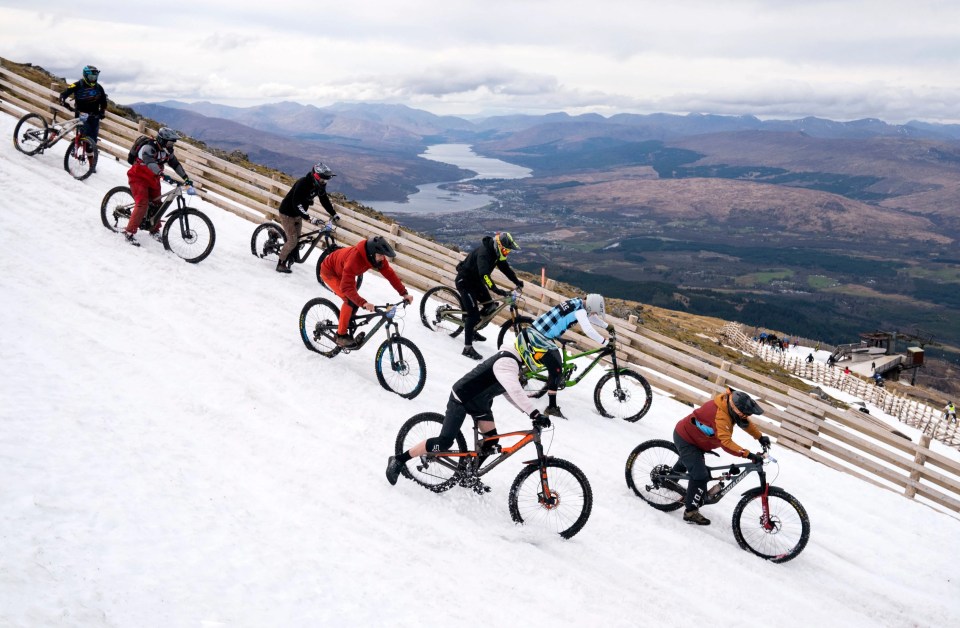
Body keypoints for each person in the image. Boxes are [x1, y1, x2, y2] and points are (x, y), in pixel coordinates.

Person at [386, 329, 551, 486]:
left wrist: (530, 413)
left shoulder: (513, 364)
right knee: (444, 443)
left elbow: (510, 393)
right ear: (526, 349)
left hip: (479, 402)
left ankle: (469, 474)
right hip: (462, 398)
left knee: (491, 442)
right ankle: (399, 459)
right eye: (537, 355)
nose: (538, 359)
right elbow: (515, 390)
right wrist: (535, 413)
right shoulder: (507, 362)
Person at [672, 389, 769, 526]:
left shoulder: (730, 407)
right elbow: (726, 443)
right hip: (687, 439)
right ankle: (690, 512)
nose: (746, 416)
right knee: (700, 476)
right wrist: (748, 454)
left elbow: (745, 423)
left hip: (699, 439)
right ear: (736, 410)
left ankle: (673, 477)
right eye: (745, 413)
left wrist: (759, 437)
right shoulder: (721, 416)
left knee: (693, 463)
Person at [318, 236, 414, 348]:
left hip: (344, 271)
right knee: (350, 300)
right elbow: (346, 288)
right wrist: (363, 303)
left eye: (383, 256)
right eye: (380, 255)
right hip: (330, 272)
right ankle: (341, 336)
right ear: (371, 253)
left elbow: (390, 274)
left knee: (354, 302)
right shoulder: (354, 259)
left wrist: (404, 293)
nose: (382, 258)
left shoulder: (375, 258)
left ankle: (346, 322)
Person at [529, 294, 610, 419]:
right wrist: (604, 342)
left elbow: (591, 317)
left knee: (556, 366)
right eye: (594, 311)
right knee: (557, 371)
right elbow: (588, 330)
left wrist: (607, 326)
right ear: (590, 306)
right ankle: (551, 407)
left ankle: (545, 389)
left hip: (539, 329)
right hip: (541, 336)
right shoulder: (580, 311)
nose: (594, 314)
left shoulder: (577, 302)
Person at [454, 232, 524, 360]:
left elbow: (506, 269)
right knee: (473, 314)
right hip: (465, 282)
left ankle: (473, 330)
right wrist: (497, 290)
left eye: (508, 251)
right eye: (505, 250)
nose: (506, 253)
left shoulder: (497, 254)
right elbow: (484, 275)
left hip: (476, 282)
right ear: (498, 245)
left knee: (491, 306)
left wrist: (517, 281)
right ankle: (467, 348)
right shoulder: (485, 253)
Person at [123, 127, 193, 246]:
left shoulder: (167, 151)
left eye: (172, 142)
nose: (171, 145)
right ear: (162, 140)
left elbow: (175, 164)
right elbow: (149, 162)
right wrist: (162, 174)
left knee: (157, 205)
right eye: (169, 142)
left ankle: (153, 229)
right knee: (142, 204)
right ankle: (129, 232)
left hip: (153, 179)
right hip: (138, 178)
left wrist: (186, 178)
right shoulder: (148, 148)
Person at [275, 162, 340, 273]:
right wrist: (308, 217)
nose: (324, 183)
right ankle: (281, 263)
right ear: (316, 177)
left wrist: (333, 214)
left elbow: (324, 200)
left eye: (326, 181)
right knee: (292, 241)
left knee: (297, 239)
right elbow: (297, 203)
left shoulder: (318, 186)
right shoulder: (303, 183)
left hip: (298, 215)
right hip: (287, 214)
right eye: (323, 180)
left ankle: (279, 238)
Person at [59, 65, 107, 149]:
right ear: (85, 75)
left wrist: (102, 111)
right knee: (85, 136)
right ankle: (77, 147)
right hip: (81, 115)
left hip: (95, 116)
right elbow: (64, 94)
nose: (93, 79)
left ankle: (90, 153)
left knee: (93, 140)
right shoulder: (77, 85)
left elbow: (103, 101)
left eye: (95, 76)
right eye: (91, 76)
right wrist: (63, 101)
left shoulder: (99, 88)